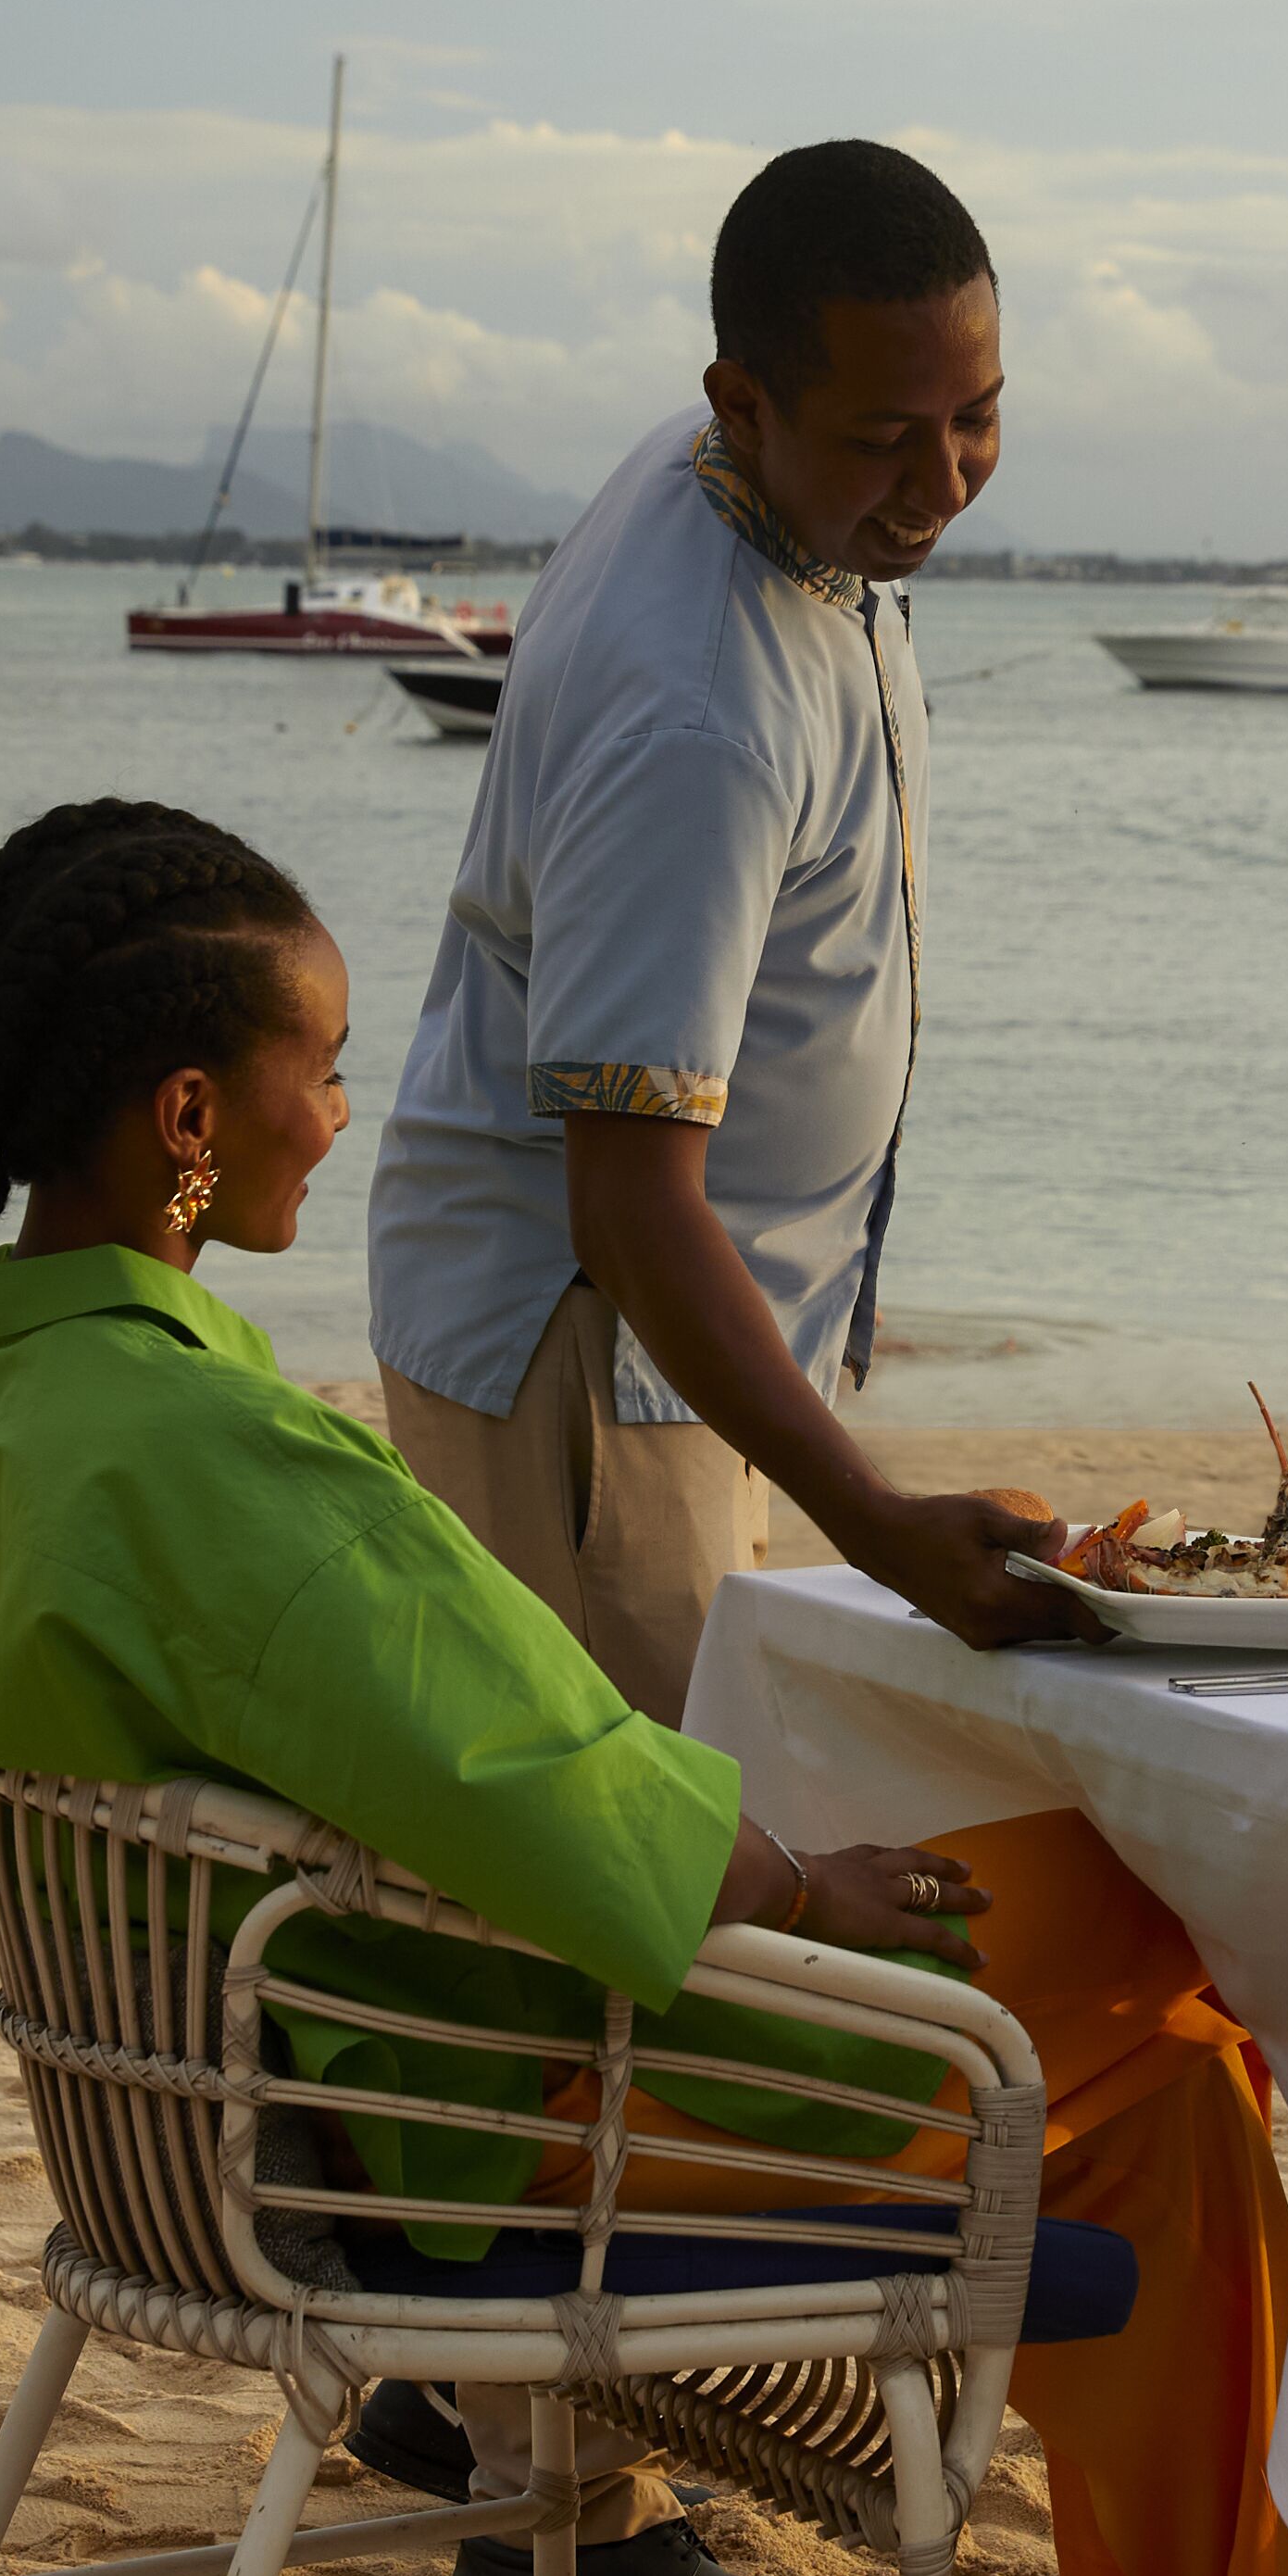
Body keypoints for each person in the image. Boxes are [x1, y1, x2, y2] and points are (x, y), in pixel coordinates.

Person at [0, 796, 1288, 2576]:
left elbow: (14, 1660)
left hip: (275, 2086)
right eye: (317, 1067)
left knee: (1164, 2079)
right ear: (187, 1115)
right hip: (504, 2107)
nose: (344, 1108)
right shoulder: (212, 1453)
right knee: (1155, 1939)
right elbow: (531, 1782)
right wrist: (789, 1879)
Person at [358, 135, 1066, 1728]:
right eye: (892, 440)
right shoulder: (698, 718)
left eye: (981, 417)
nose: (944, 486)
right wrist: (876, 1527)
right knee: (667, 1890)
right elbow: (626, 1201)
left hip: (697, 1361)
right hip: (597, 1365)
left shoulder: (786, 493)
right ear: (742, 401)